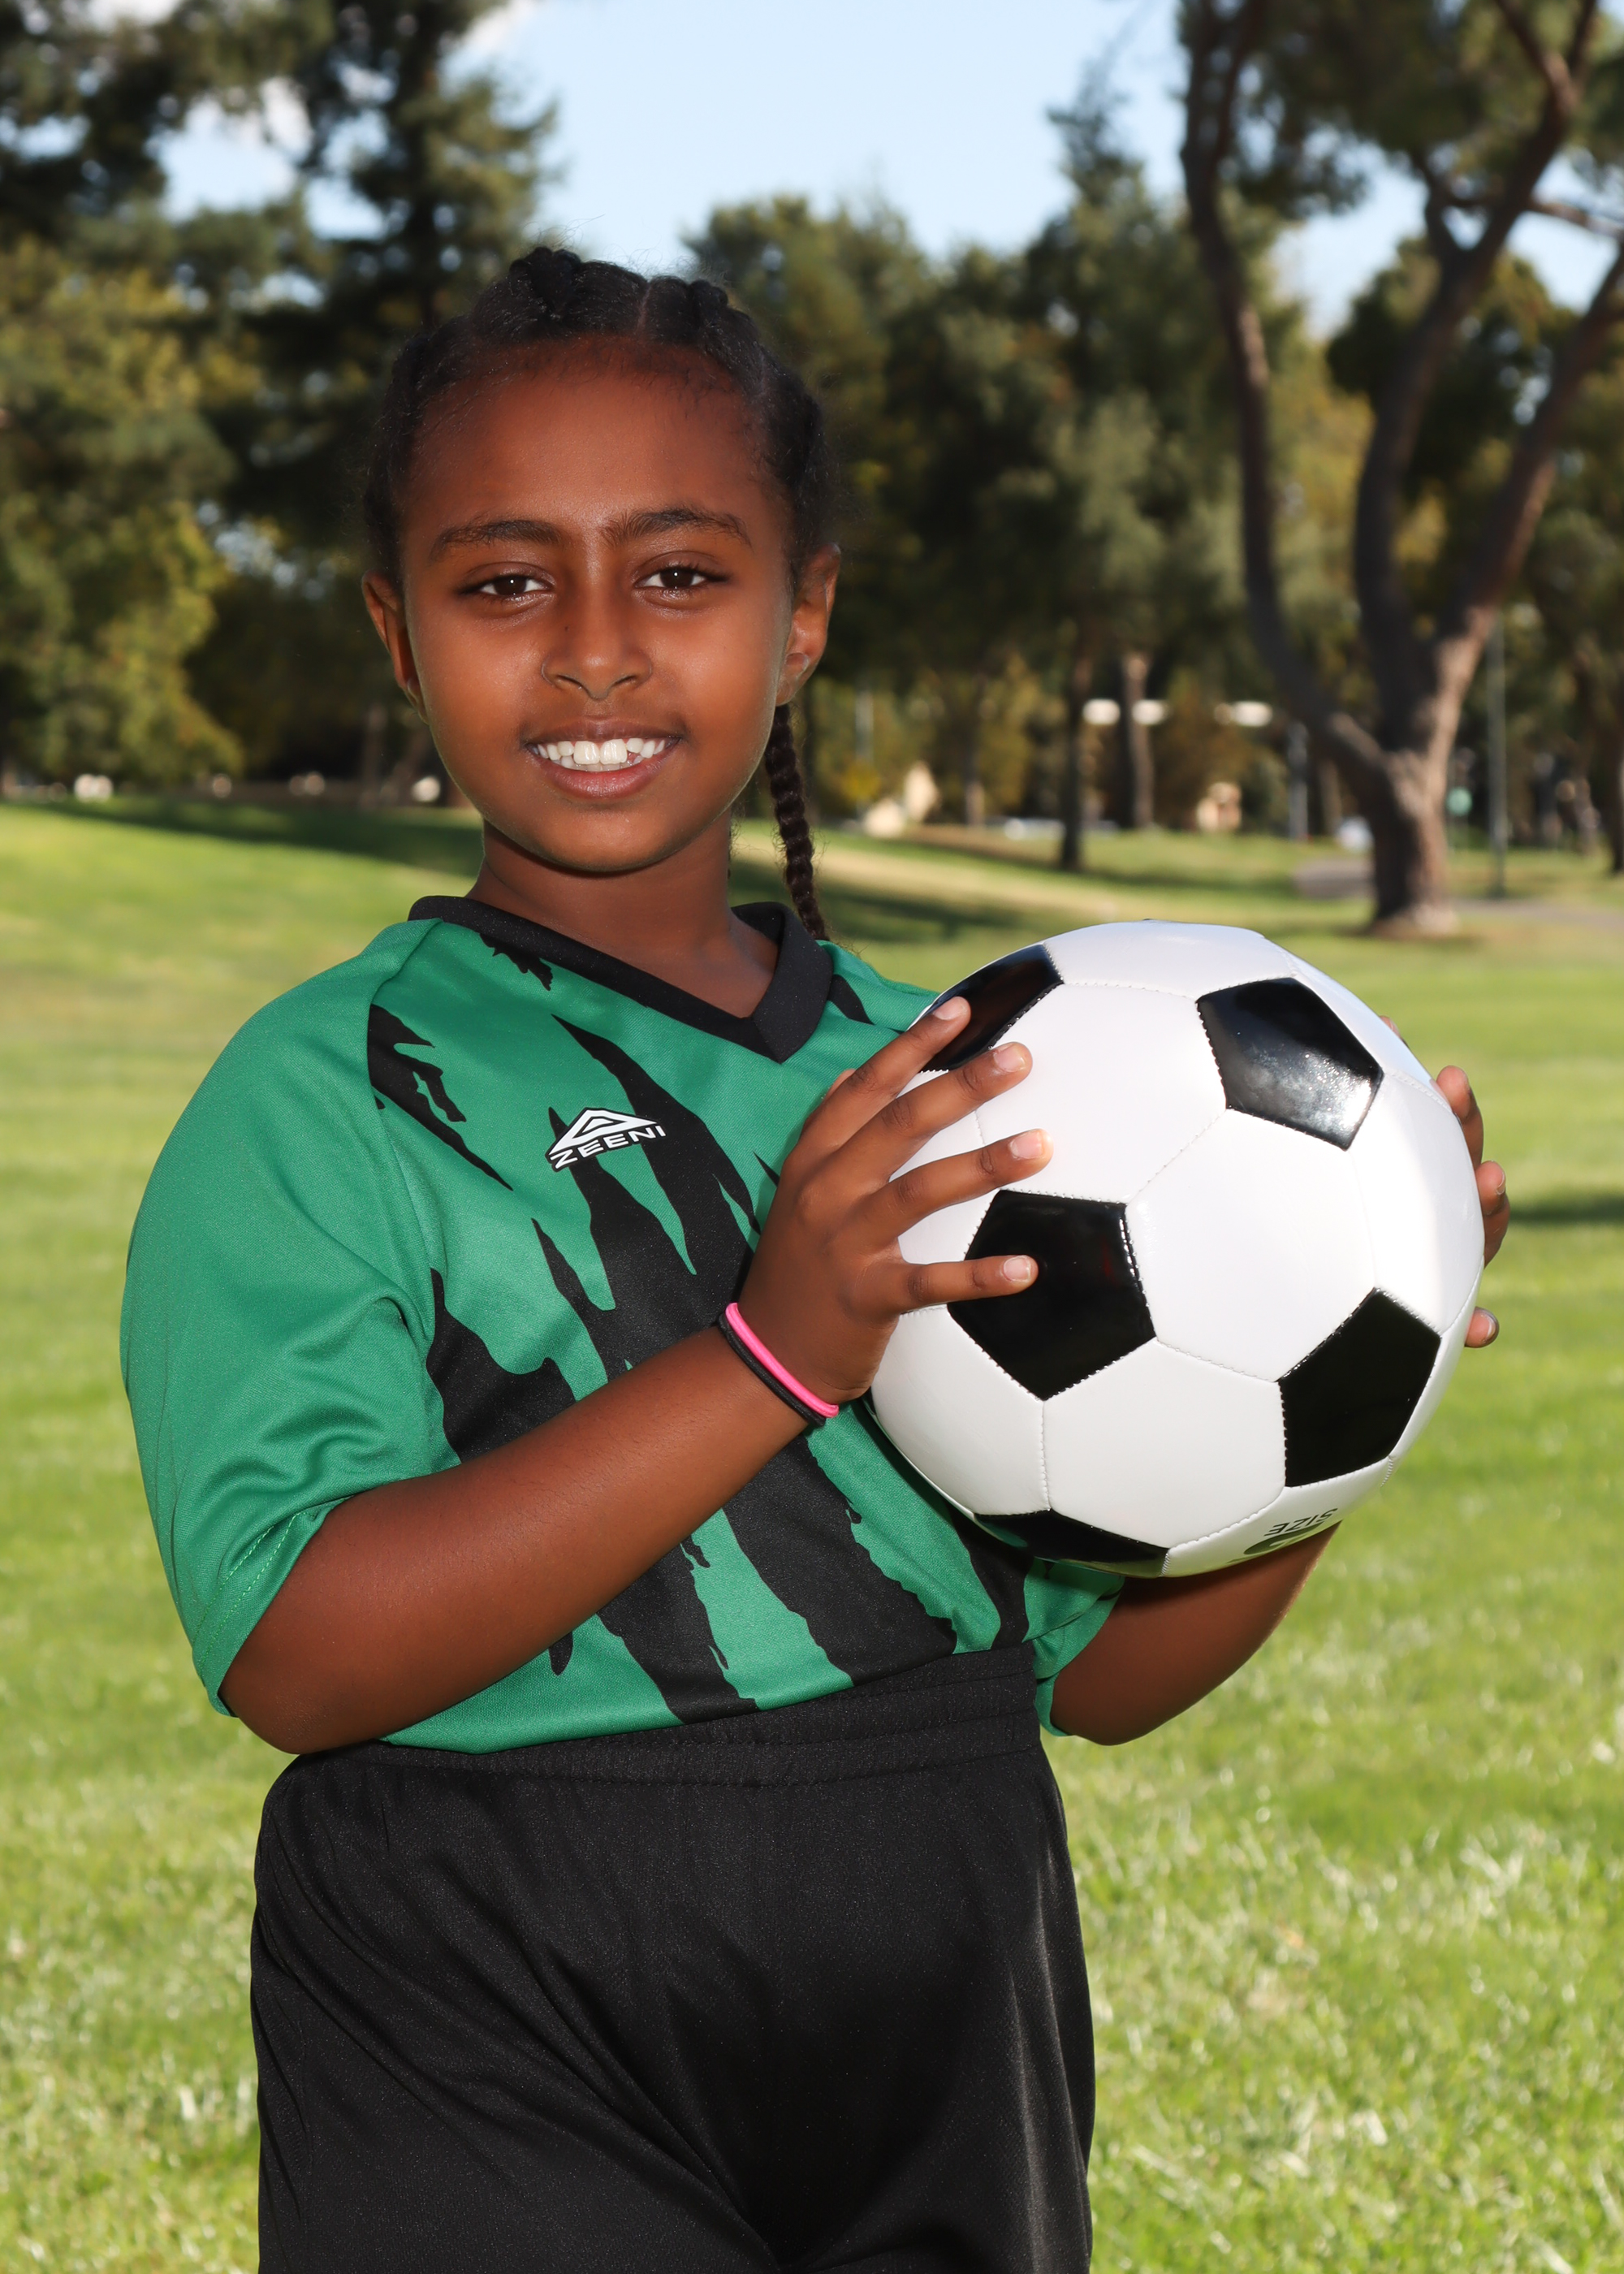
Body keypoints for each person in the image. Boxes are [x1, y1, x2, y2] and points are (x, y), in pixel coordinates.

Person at [121, 249, 1510, 2274]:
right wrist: (771, 1351)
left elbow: (1098, 1677)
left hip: (945, 1950)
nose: (596, 650)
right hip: (488, 1987)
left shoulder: (980, 1075)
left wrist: (1339, 1380)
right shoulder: (323, 1093)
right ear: (398, 634)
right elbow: (297, 1649)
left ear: (804, 615)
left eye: (680, 572)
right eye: (505, 582)